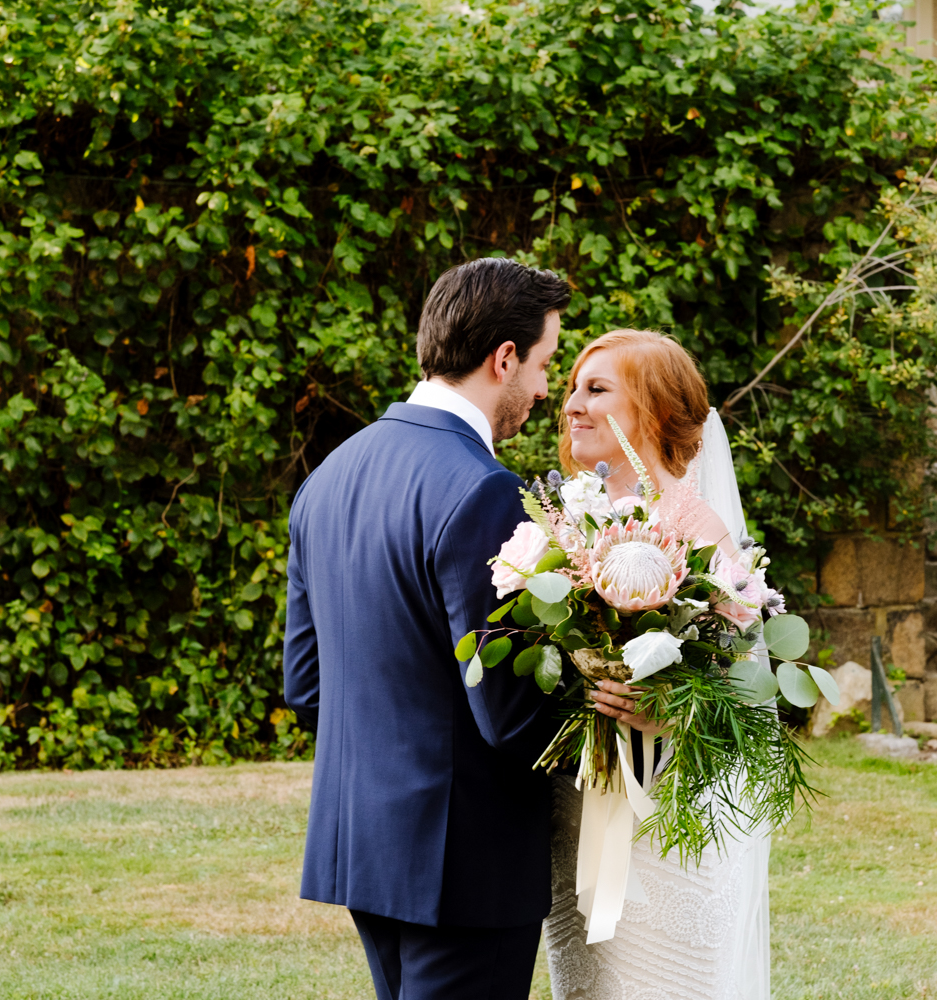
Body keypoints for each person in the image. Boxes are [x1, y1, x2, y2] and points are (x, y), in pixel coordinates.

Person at [283, 258, 572, 1000]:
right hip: (463, 860)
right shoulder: (483, 489)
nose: (544, 389)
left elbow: (306, 684)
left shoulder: (328, 478)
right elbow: (506, 713)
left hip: (364, 845)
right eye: (544, 363)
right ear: (502, 358)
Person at [543, 328, 773, 1000]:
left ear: (648, 409)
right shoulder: (566, 527)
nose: (572, 406)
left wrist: (670, 708)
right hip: (577, 811)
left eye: (596, 389)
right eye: (572, 390)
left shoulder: (700, 532)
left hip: (668, 818)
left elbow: (743, 697)